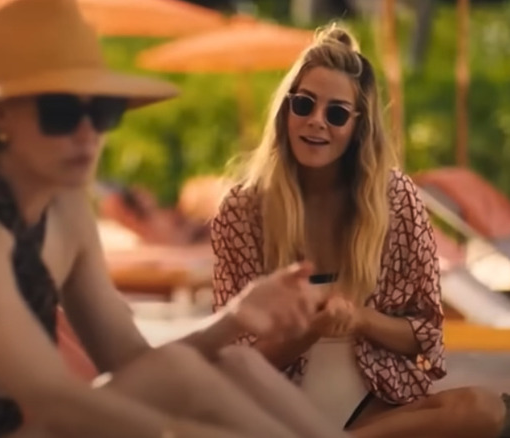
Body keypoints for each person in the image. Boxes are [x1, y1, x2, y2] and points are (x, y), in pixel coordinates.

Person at [0, 1, 352, 437]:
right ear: (0, 117)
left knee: (237, 358)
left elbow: (129, 358)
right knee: (181, 371)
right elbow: (55, 400)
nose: (87, 134)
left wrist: (238, 318)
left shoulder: (65, 208)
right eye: (62, 113)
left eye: (103, 112)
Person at [211, 24, 509, 438]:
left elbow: (425, 335)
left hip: (375, 413)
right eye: (304, 104)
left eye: (335, 113)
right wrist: (310, 330)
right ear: (286, 110)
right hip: (274, 408)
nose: (316, 121)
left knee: (485, 408)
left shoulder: (396, 199)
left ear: (358, 127)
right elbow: (235, 360)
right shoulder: (243, 209)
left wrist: (360, 319)